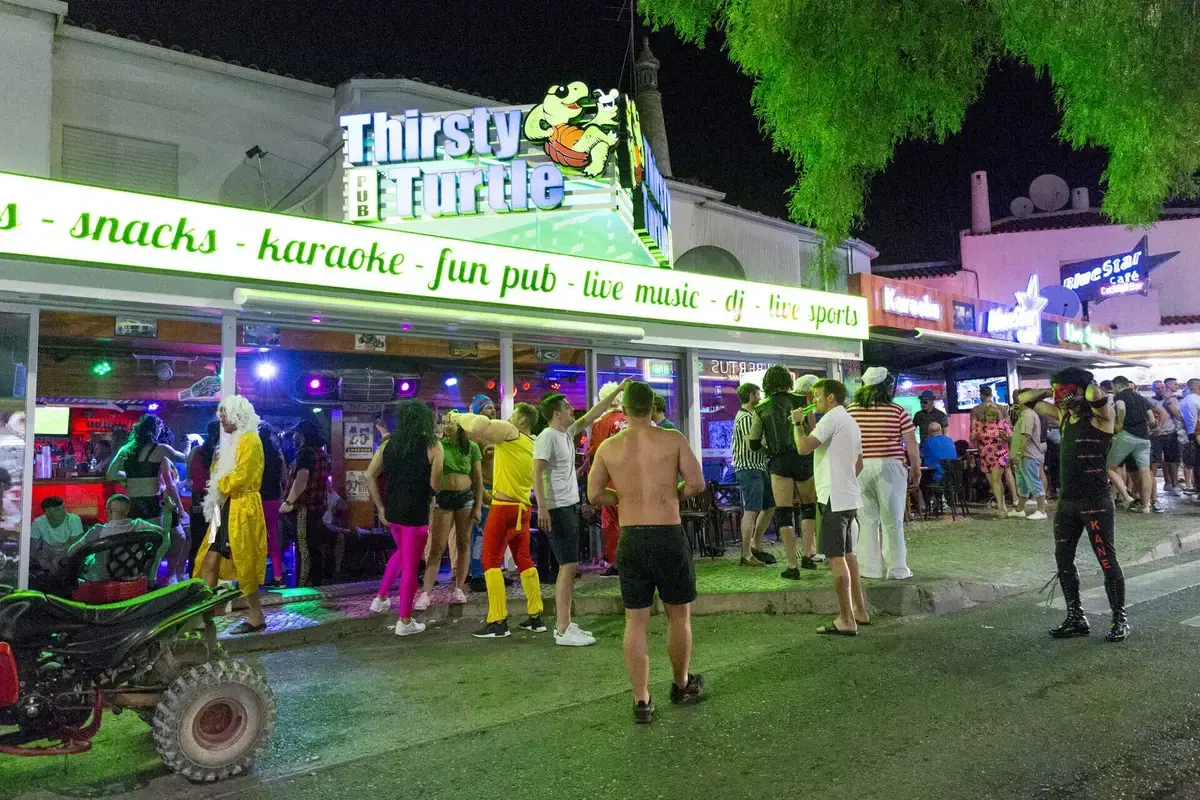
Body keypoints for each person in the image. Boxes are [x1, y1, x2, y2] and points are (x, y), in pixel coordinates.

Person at [588, 381, 706, 723]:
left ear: (624, 408)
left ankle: (642, 701)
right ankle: (682, 684)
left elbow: (594, 494)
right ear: (652, 407)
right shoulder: (673, 440)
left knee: (635, 620)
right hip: (668, 532)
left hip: (632, 537)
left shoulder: (609, 447)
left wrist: (622, 499)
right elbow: (696, 483)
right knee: (679, 615)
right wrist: (673, 494)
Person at [1033, 368, 1129, 642]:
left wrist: (1085, 386)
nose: (1060, 399)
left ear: (1081, 391)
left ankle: (1119, 619)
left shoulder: (1102, 417)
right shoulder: (1064, 416)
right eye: (1057, 393)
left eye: (1066, 392)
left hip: (1095, 503)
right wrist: (1054, 389)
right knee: (1063, 560)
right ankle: (1076, 618)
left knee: (1106, 561)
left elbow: (1094, 395)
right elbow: (1024, 399)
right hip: (1068, 504)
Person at [534, 381, 628, 646]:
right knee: (568, 566)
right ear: (556, 413)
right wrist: (542, 506)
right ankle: (563, 628)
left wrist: (618, 389)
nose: (572, 410)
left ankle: (565, 623)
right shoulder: (547, 436)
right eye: (566, 407)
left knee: (569, 566)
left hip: (568, 504)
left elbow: (592, 414)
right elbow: (536, 473)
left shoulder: (566, 432)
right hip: (557, 508)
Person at [451, 402, 545, 639]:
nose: (510, 417)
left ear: (522, 420)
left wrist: (456, 416)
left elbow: (482, 425)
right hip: (522, 508)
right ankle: (536, 616)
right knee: (524, 559)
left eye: (514, 415)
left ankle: (498, 620)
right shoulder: (531, 444)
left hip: (504, 509)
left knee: (490, 561)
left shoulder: (512, 433)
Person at [794, 379, 868, 635]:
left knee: (836, 559)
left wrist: (796, 424)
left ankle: (846, 619)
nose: (814, 400)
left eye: (817, 396)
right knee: (850, 556)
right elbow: (858, 464)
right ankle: (860, 610)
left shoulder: (831, 419)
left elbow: (804, 447)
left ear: (831, 398)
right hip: (849, 496)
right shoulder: (849, 421)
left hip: (833, 498)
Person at [366, 399, 443, 636]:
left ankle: (380, 599)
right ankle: (405, 621)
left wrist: (380, 507)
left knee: (401, 554)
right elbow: (435, 484)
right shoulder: (433, 445)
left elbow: (369, 475)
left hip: (393, 511)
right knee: (410, 565)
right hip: (416, 513)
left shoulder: (388, 445)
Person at [194, 396, 268, 634]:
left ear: (237, 414)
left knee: (243, 562)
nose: (221, 418)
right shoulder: (231, 442)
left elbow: (243, 476)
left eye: (225, 413)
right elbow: (220, 476)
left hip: (240, 506)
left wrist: (220, 481)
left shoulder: (250, 439)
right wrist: (217, 468)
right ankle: (205, 617)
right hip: (223, 507)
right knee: (208, 559)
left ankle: (256, 616)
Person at [848, 367, 919, 580]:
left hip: (860, 467)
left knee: (867, 519)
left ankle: (869, 569)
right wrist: (915, 467)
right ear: (886, 387)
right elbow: (911, 442)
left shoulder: (851, 410)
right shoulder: (897, 411)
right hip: (890, 465)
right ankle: (897, 569)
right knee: (892, 520)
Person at [748, 365, 814, 578]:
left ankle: (792, 567)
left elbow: (754, 442)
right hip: (804, 459)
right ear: (788, 381)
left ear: (767, 384)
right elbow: (812, 431)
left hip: (779, 463)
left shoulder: (761, 408)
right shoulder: (802, 401)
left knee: (784, 512)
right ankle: (807, 555)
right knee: (808, 507)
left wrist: (769, 449)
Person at [414, 411, 483, 610]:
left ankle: (459, 588)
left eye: (450, 422)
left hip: (466, 497)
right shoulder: (437, 445)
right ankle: (426, 592)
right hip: (443, 497)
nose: (445, 425)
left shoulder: (472, 447)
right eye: (443, 422)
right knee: (437, 546)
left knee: (463, 543)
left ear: (461, 426)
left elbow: (477, 479)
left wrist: (478, 505)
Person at [70, 493, 169, 584]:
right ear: (127, 510)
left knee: (84, 562)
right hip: (132, 574)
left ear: (108, 511)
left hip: (102, 578)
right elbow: (161, 532)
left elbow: (72, 551)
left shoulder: (97, 531)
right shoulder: (138, 524)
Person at [587, 383, 629, 576]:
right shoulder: (631, 421)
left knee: (612, 524)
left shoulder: (600, 424)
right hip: (634, 479)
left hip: (611, 481)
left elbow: (593, 455)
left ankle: (617, 562)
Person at [281, 420, 329, 586]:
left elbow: (302, 479)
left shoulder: (305, 453)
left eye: (295, 433)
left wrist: (288, 502)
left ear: (301, 435)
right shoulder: (319, 453)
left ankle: (303, 584)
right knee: (313, 546)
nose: (293, 437)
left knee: (304, 547)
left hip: (303, 509)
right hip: (316, 508)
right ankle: (315, 582)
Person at [732, 382, 775, 567]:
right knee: (751, 510)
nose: (761, 397)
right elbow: (754, 443)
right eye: (758, 394)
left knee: (769, 506)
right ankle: (746, 554)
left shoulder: (751, 415)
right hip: (749, 468)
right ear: (751, 396)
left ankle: (755, 546)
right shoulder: (746, 418)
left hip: (758, 467)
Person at [1107, 376, 1155, 513]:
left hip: (1127, 435)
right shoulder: (1141, 398)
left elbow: (1121, 408)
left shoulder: (1119, 396)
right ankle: (1146, 506)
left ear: (1116, 386)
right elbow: (1151, 418)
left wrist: (1119, 424)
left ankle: (1127, 497)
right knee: (1145, 470)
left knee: (1109, 467)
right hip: (1144, 438)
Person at [467, 393, 497, 592]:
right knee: (479, 535)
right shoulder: (473, 435)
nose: (493, 410)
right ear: (478, 411)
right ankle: (477, 574)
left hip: (497, 489)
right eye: (488, 408)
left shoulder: (496, 431)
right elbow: (470, 467)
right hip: (483, 489)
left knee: (494, 534)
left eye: (494, 407)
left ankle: (492, 570)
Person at [29, 496, 85, 589]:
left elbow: (75, 545)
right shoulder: (38, 522)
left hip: (70, 553)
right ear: (47, 512)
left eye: (63, 507)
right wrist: (40, 559)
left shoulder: (74, 519)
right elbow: (32, 547)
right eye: (57, 510)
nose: (63, 512)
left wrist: (58, 559)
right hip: (48, 554)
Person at [187, 420, 220, 577]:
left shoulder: (195, 451)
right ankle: (211, 578)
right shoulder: (223, 452)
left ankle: (194, 578)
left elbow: (188, 476)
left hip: (197, 500)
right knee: (214, 542)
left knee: (197, 542)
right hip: (216, 501)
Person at [1010, 390, 1049, 520]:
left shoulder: (1028, 415)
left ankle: (1041, 510)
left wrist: (1019, 452)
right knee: (1023, 484)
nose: (1015, 400)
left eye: (1018, 398)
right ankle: (1019, 509)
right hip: (1024, 455)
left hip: (1028, 455)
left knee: (1033, 481)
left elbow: (1026, 435)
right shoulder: (1025, 415)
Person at [971, 399, 1014, 516]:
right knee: (994, 482)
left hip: (1000, 455)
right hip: (985, 456)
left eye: (993, 415)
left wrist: (1006, 436)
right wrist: (974, 436)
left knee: (995, 480)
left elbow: (1012, 437)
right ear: (984, 414)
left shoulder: (1002, 423)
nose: (991, 417)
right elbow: (973, 437)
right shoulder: (979, 425)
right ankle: (1002, 503)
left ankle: (1000, 507)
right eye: (989, 415)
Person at [258, 422, 287, 587]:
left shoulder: (254, 452)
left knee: (254, 538)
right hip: (273, 499)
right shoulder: (278, 454)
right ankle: (278, 577)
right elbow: (284, 478)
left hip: (256, 499)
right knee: (273, 537)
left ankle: (255, 577)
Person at [1151, 378, 1185, 498]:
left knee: (1173, 461)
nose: (1160, 390)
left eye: (1162, 388)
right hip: (1156, 436)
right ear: (1153, 389)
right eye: (1158, 388)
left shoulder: (1172, 400)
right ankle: (1155, 486)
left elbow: (1178, 415)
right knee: (1155, 461)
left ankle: (1174, 484)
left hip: (1171, 433)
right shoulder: (1150, 401)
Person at [1183, 378, 1200, 493]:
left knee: (1197, 464)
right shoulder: (1196, 400)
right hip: (1198, 433)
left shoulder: (1184, 400)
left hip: (1191, 434)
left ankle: (1198, 488)